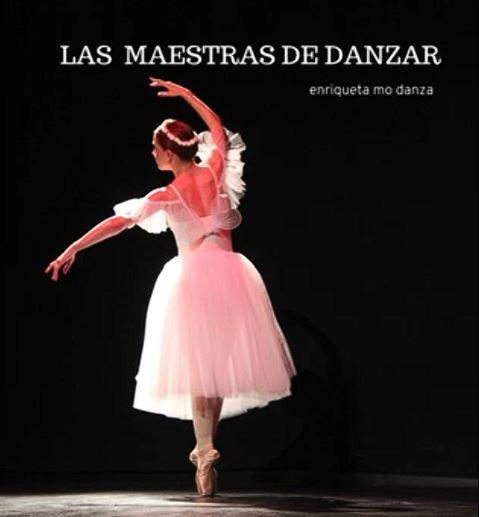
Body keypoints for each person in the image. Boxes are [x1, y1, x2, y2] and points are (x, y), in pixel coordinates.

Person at [44, 78, 297, 497]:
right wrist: (188, 96)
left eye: (154, 147)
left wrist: (73, 247)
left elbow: (119, 223)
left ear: (168, 152)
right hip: (232, 277)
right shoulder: (213, 173)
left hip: (193, 281)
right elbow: (217, 130)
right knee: (212, 371)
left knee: (202, 370)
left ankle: (204, 449)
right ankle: (205, 450)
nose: (151, 153)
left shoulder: (167, 194)